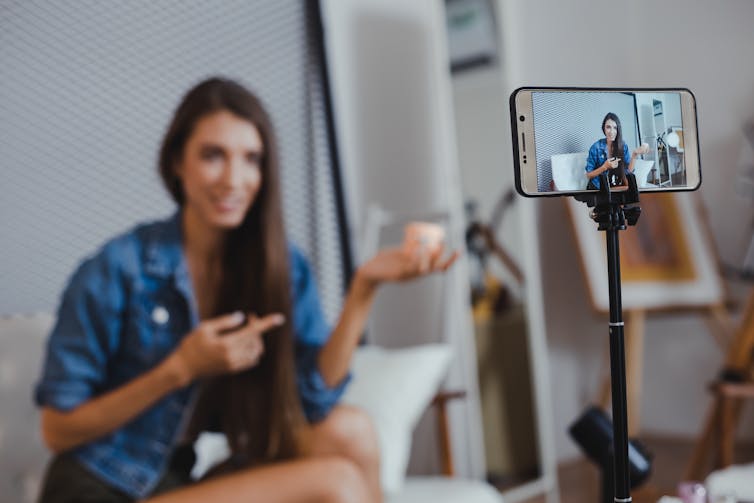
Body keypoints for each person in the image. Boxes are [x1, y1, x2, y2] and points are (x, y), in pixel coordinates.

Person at [34, 77, 458, 503]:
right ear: (178, 162)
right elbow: (57, 429)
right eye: (213, 156)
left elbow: (314, 402)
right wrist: (180, 368)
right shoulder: (118, 268)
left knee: (353, 432)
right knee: (337, 485)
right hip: (98, 486)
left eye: (251, 159)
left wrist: (364, 289)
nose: (234, 179)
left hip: (176, 481)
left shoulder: (278, 266)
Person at [585, 112, 648, 190]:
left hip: (614, 186)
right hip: (598, 187)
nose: (612, 132)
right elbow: (588, 175)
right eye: (608, 127)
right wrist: (604, 167)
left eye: (615, 128)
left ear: (618, 129)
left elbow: (628, 171)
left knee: (632, 189)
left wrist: (634, 155)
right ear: (603, 128)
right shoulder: (595, 147)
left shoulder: (623, 146)